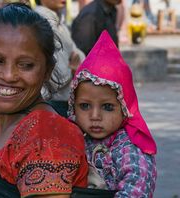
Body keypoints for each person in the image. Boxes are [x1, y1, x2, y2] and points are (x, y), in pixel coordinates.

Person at [0, 3, 88, 197]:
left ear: (47, 71)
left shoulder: (45, 137)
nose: (9, 75)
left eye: (26, 65)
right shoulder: (10, 123)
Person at [68, 30, 157, 197]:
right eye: (85, 106)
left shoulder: (129, 148)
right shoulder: (75, 138)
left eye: (107, 107)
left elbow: (136, 190)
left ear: (125, 108)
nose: (95, 116)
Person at [34, 0, 85, 118]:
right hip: (52, 102)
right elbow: (57, 76)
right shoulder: (43, 22)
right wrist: (73, 70)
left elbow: (79, 56)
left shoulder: (58, 20)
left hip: (62, 101)